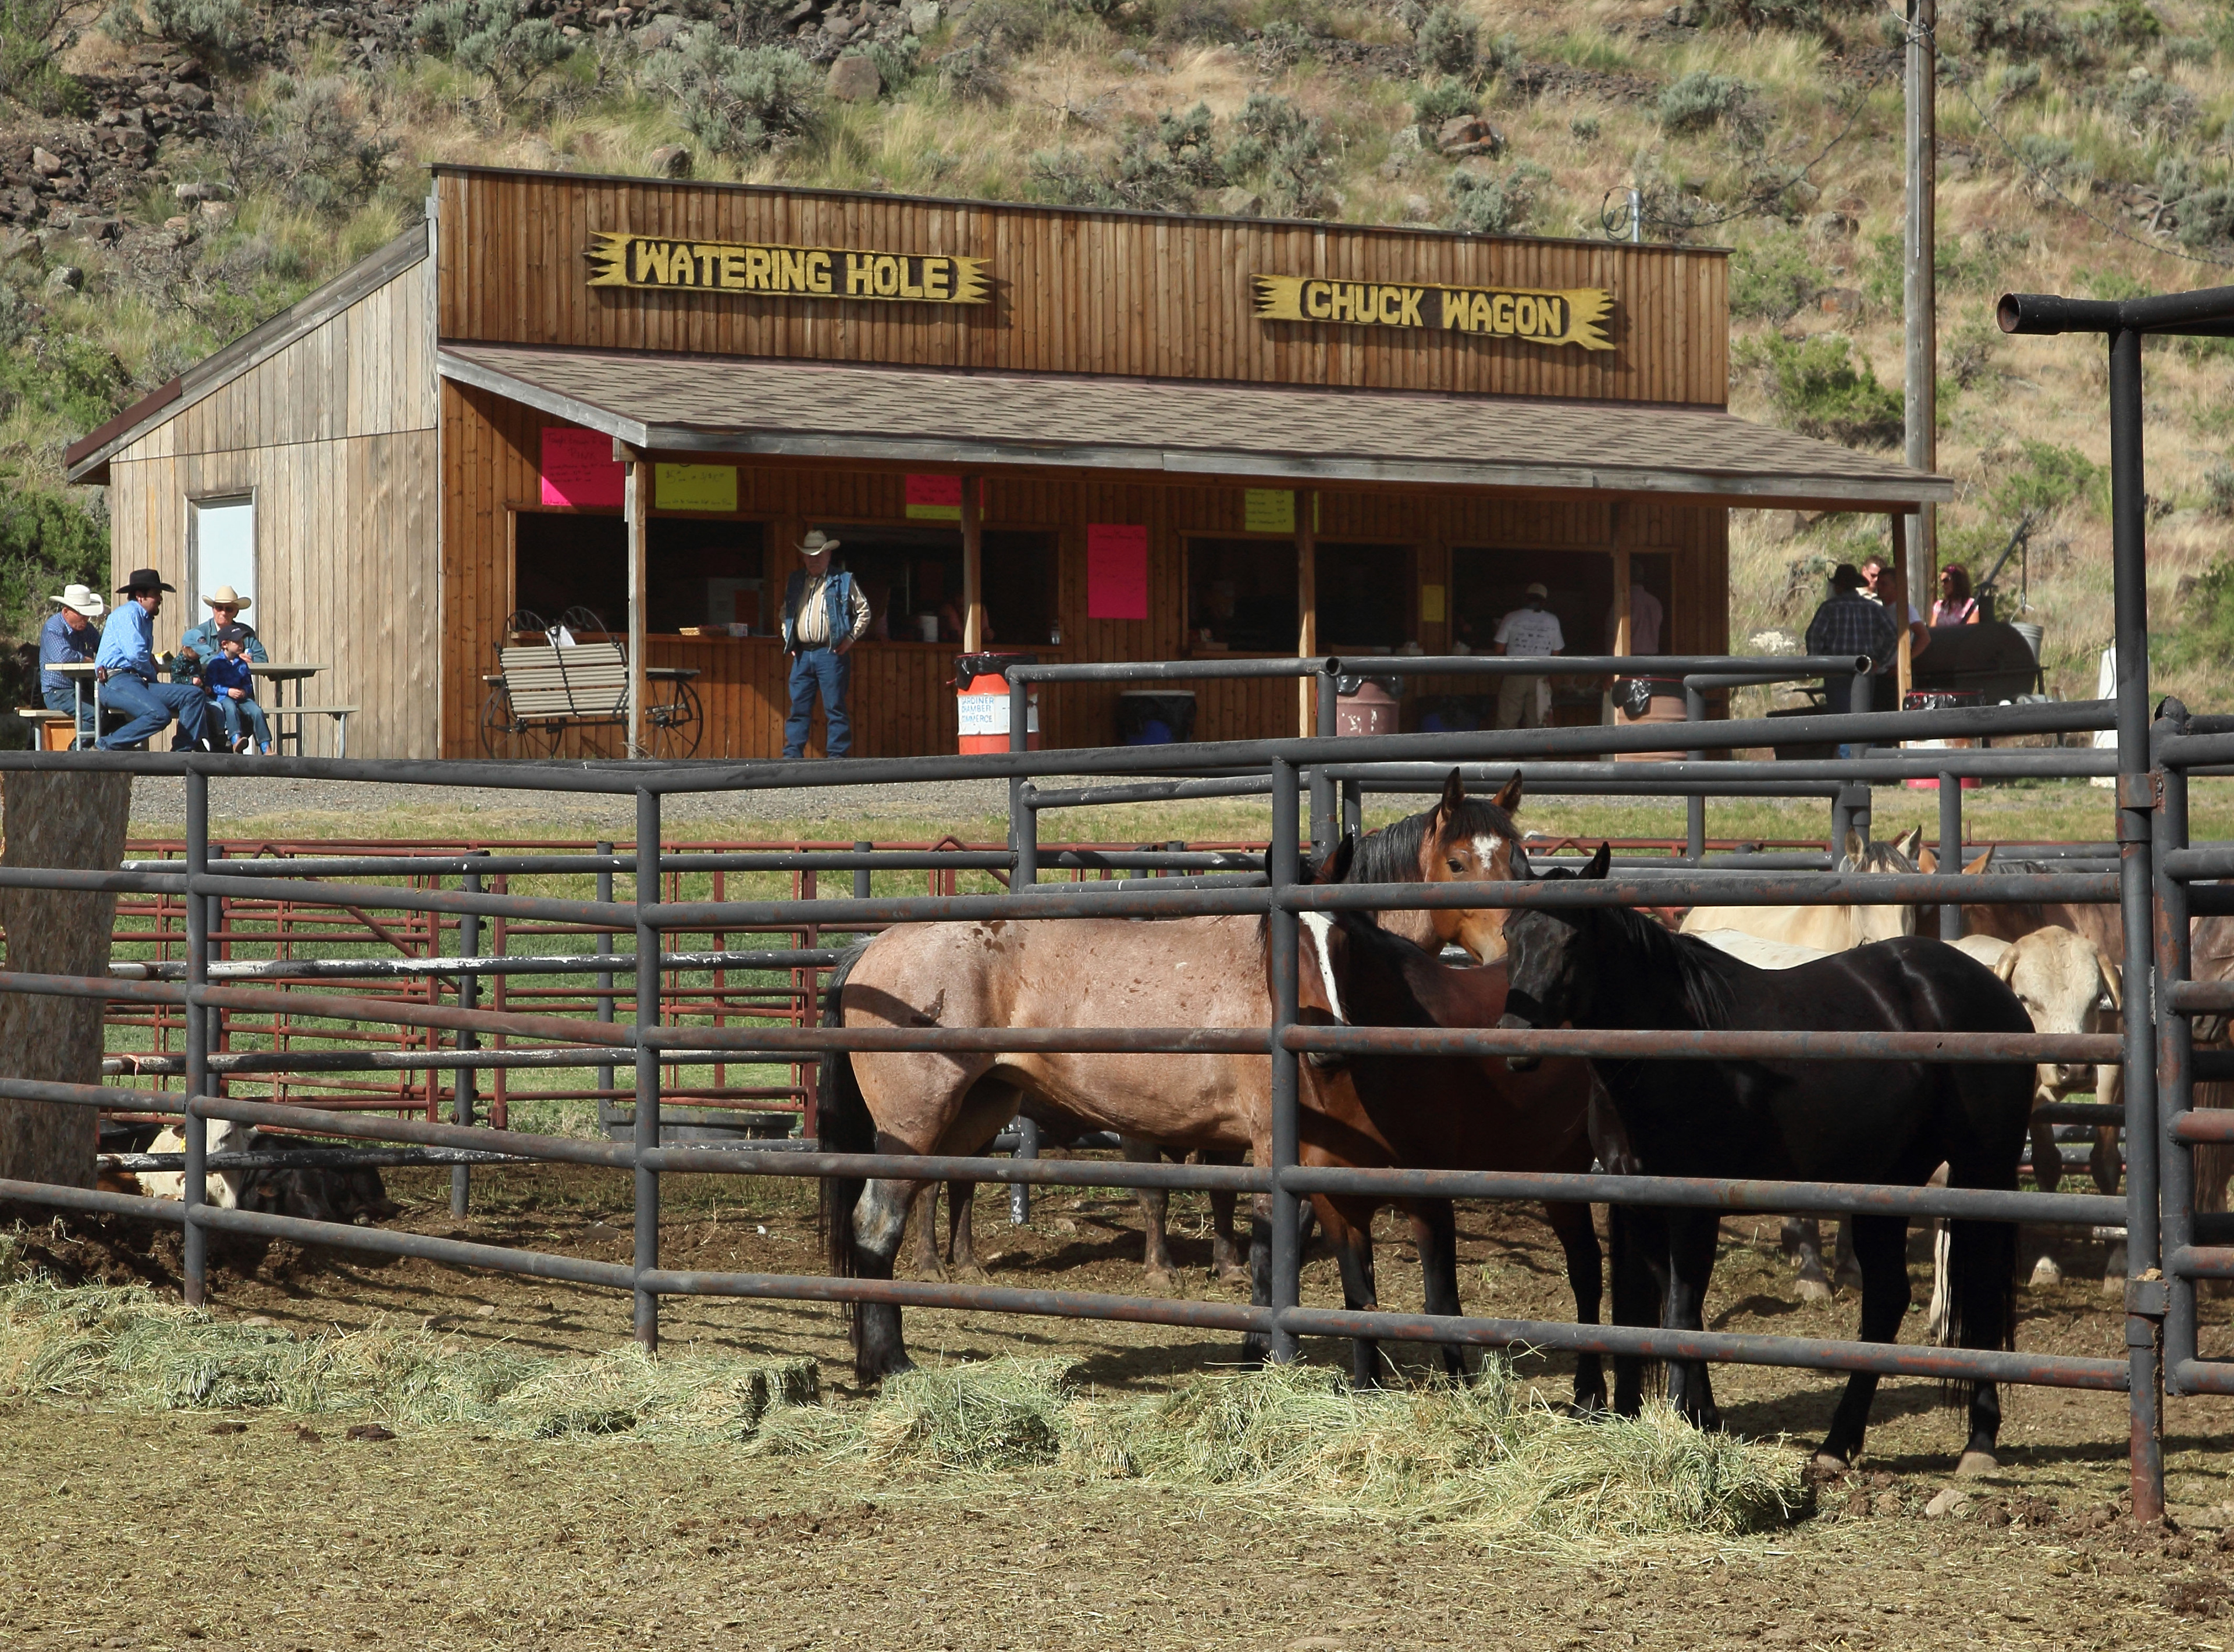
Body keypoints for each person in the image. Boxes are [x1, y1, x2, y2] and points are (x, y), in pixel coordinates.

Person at [95, 568, 212, 750]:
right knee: (158, 715)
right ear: (140, 596)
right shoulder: (128, 614)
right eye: (156, 594)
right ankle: (105, 746)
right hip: (116, 681)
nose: (160, 599)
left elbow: (137, 654)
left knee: (194, 695)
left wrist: (148, 667)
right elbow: (136, 655)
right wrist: (151, 673)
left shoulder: (144, 619)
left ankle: (181, 753)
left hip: (134, 681)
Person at [780, 530, 871, 759]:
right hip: (802, 654)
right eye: (810, 555)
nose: (814, 559)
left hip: (830, 653)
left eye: (819, 554)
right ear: (803, 557)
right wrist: (788, 637)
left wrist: (850, 639)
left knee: (834, 708)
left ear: (829, 555)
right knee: (799, 708)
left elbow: (864, 611)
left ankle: (837, 757)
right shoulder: (795, 580)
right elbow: (785, 613)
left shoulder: (843, 580)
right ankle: (792, 756)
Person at [1804, 562, 1899, 758]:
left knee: (1843, 720)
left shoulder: (1829, 608)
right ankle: (1865, 765)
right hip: (1865, 671)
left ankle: (1850, 767)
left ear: (1838, 586)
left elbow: (1814, 635)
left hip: (1836, 671)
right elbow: (1892, 635)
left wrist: (1818, 663)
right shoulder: (1872, 608)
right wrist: (1879, 660)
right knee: (1863, 718)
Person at [1492, 581, 1564, 729]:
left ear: (1526, 598)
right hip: (1541, 676)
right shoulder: (1553, 620)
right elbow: (1556, 653)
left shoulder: (1511, 618)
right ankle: (1536, 752)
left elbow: (1499, 649)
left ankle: (1507, 751)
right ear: (1544, 601)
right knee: (1537, 723)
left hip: (1515, 673)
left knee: (1507, 721)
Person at [39, 583, 103, 747]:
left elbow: (102, 646)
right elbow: (63, 656)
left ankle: (90, 751)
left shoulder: (87, 629)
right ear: (66, 611)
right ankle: (76, 752)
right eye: (81, 614)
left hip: (83, 689)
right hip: (57, 692)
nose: (86, 619)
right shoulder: (53, 628)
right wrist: (87, 660)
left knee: (115, 712)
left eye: (87, 615)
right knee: (95, 714)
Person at [172, 583, 267, 683]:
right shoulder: (198, 633)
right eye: (219, 608)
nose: (224, 613)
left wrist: (249, 660)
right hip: (208, 690)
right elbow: (192, 659)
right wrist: (233, 659)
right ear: (213, 609)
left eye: (229, 609)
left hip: (241, 690)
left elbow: (262, 659)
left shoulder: (246, 633)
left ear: (236, 612)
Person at [201, 624, 273, 753]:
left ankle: (266, 746)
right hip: (224, 697)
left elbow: (247, 682)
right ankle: (235, 739)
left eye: (242, 642)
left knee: (257, 711)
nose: (241, 645)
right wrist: (228, 691)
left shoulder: (242, 664)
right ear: (225, 644)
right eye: (237, 642)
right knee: (230, 708)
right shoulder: (215, 663)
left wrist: (245, 691)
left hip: (241, 697)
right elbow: (212, 685)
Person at [1862, 554, 1932, 662]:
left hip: (1894, 673)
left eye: (1884, 584)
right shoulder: (1879, 610)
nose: (1879, 587)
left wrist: (1904, 663)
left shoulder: (1905, 610)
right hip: (1877, 670)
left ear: (1896, 586)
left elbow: (1924, 638)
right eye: (1878, 583)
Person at [1602, 581, 1664, 656]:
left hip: (1630, 659)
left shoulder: (1623, 603)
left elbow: (1611, 630)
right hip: (1653, 658)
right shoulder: (1655, 603)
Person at [1931, 562, 1980, 626]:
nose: (1943, 585)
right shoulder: (1939, 606)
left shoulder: (1971, 605)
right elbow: (1932, 631)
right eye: (1942, 582)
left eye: (1946, 581)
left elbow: (1973, 632)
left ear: (1957, 581)